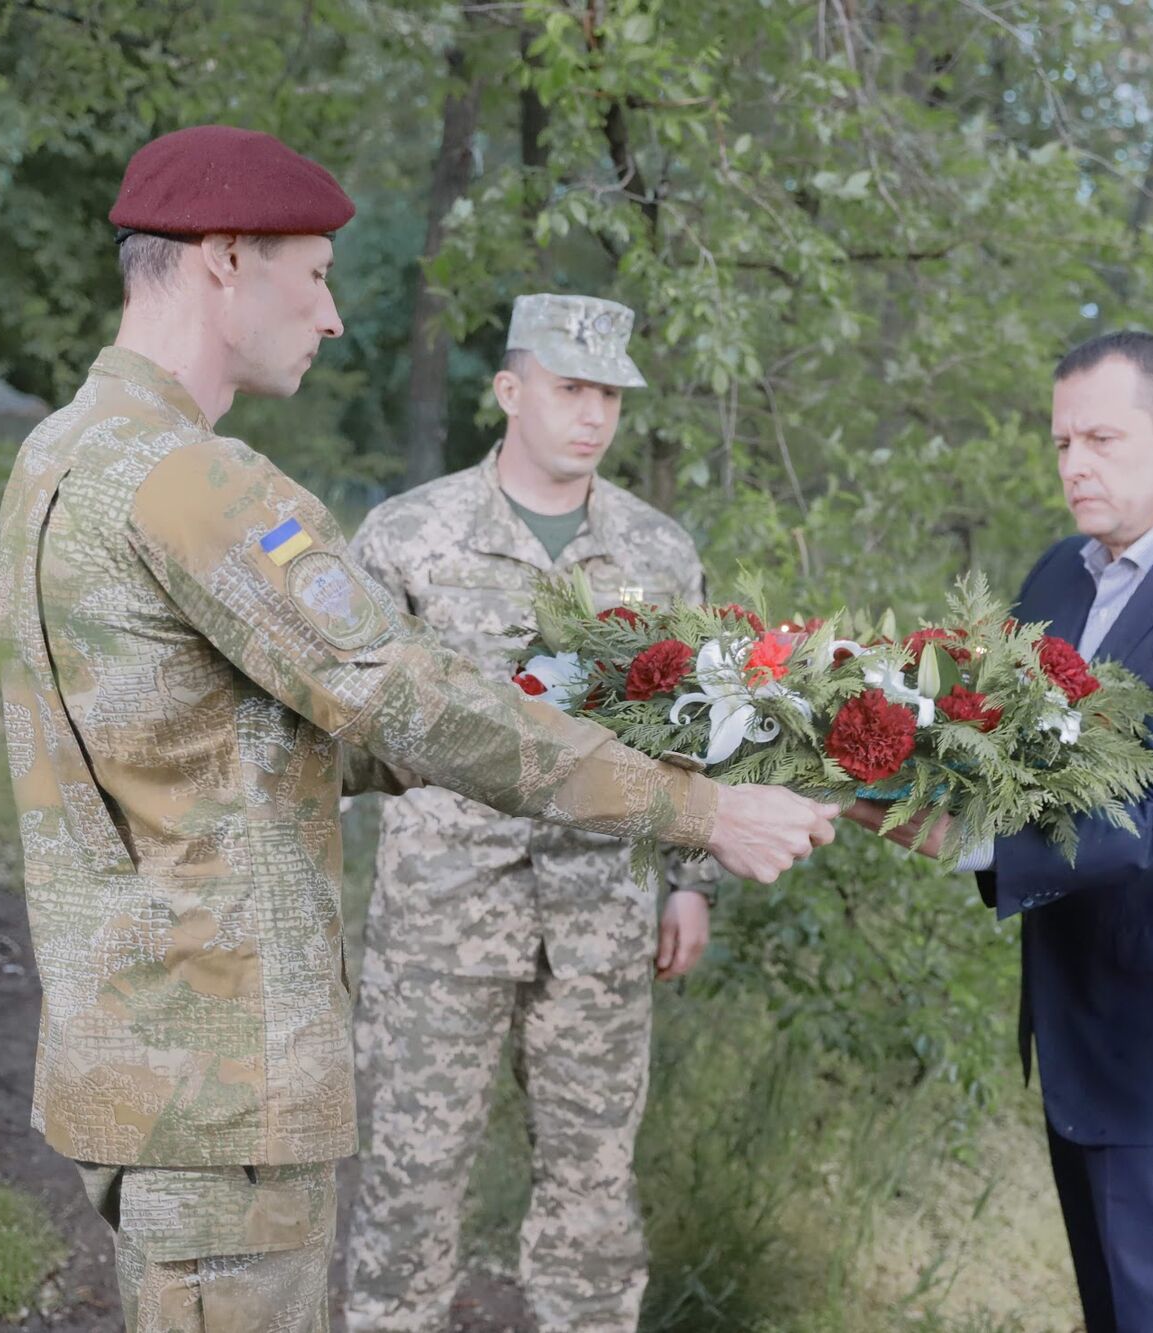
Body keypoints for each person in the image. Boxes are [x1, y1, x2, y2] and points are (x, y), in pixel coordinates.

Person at [0, 124, 836, 1333]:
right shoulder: (195, 483)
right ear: (225, 259)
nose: (332, 315)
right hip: (223, 1065)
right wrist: (698, 808)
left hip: (141, 1044)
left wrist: (560, 713)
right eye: (318, 274)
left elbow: (229, 740)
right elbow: (410, 701)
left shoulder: (60, 455)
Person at [856, 331, 1153, 1332]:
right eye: (1061, 440)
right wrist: (861, 750)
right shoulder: (1057, 579)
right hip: (1079, 1013)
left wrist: (971, 844)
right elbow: (995, 744)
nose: (1074, 464)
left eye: (1102, 438)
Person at [342, 294, 717, 1332]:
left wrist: (690, 882)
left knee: (593, 1197)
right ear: (509, 391)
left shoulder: (658, 552)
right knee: (409, 1187)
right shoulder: (408, 535)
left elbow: (689, 726)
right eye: (568, 388)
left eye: (608, 393)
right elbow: (351, 717)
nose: (591, 414)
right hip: (439, 915)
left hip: (602, 910)